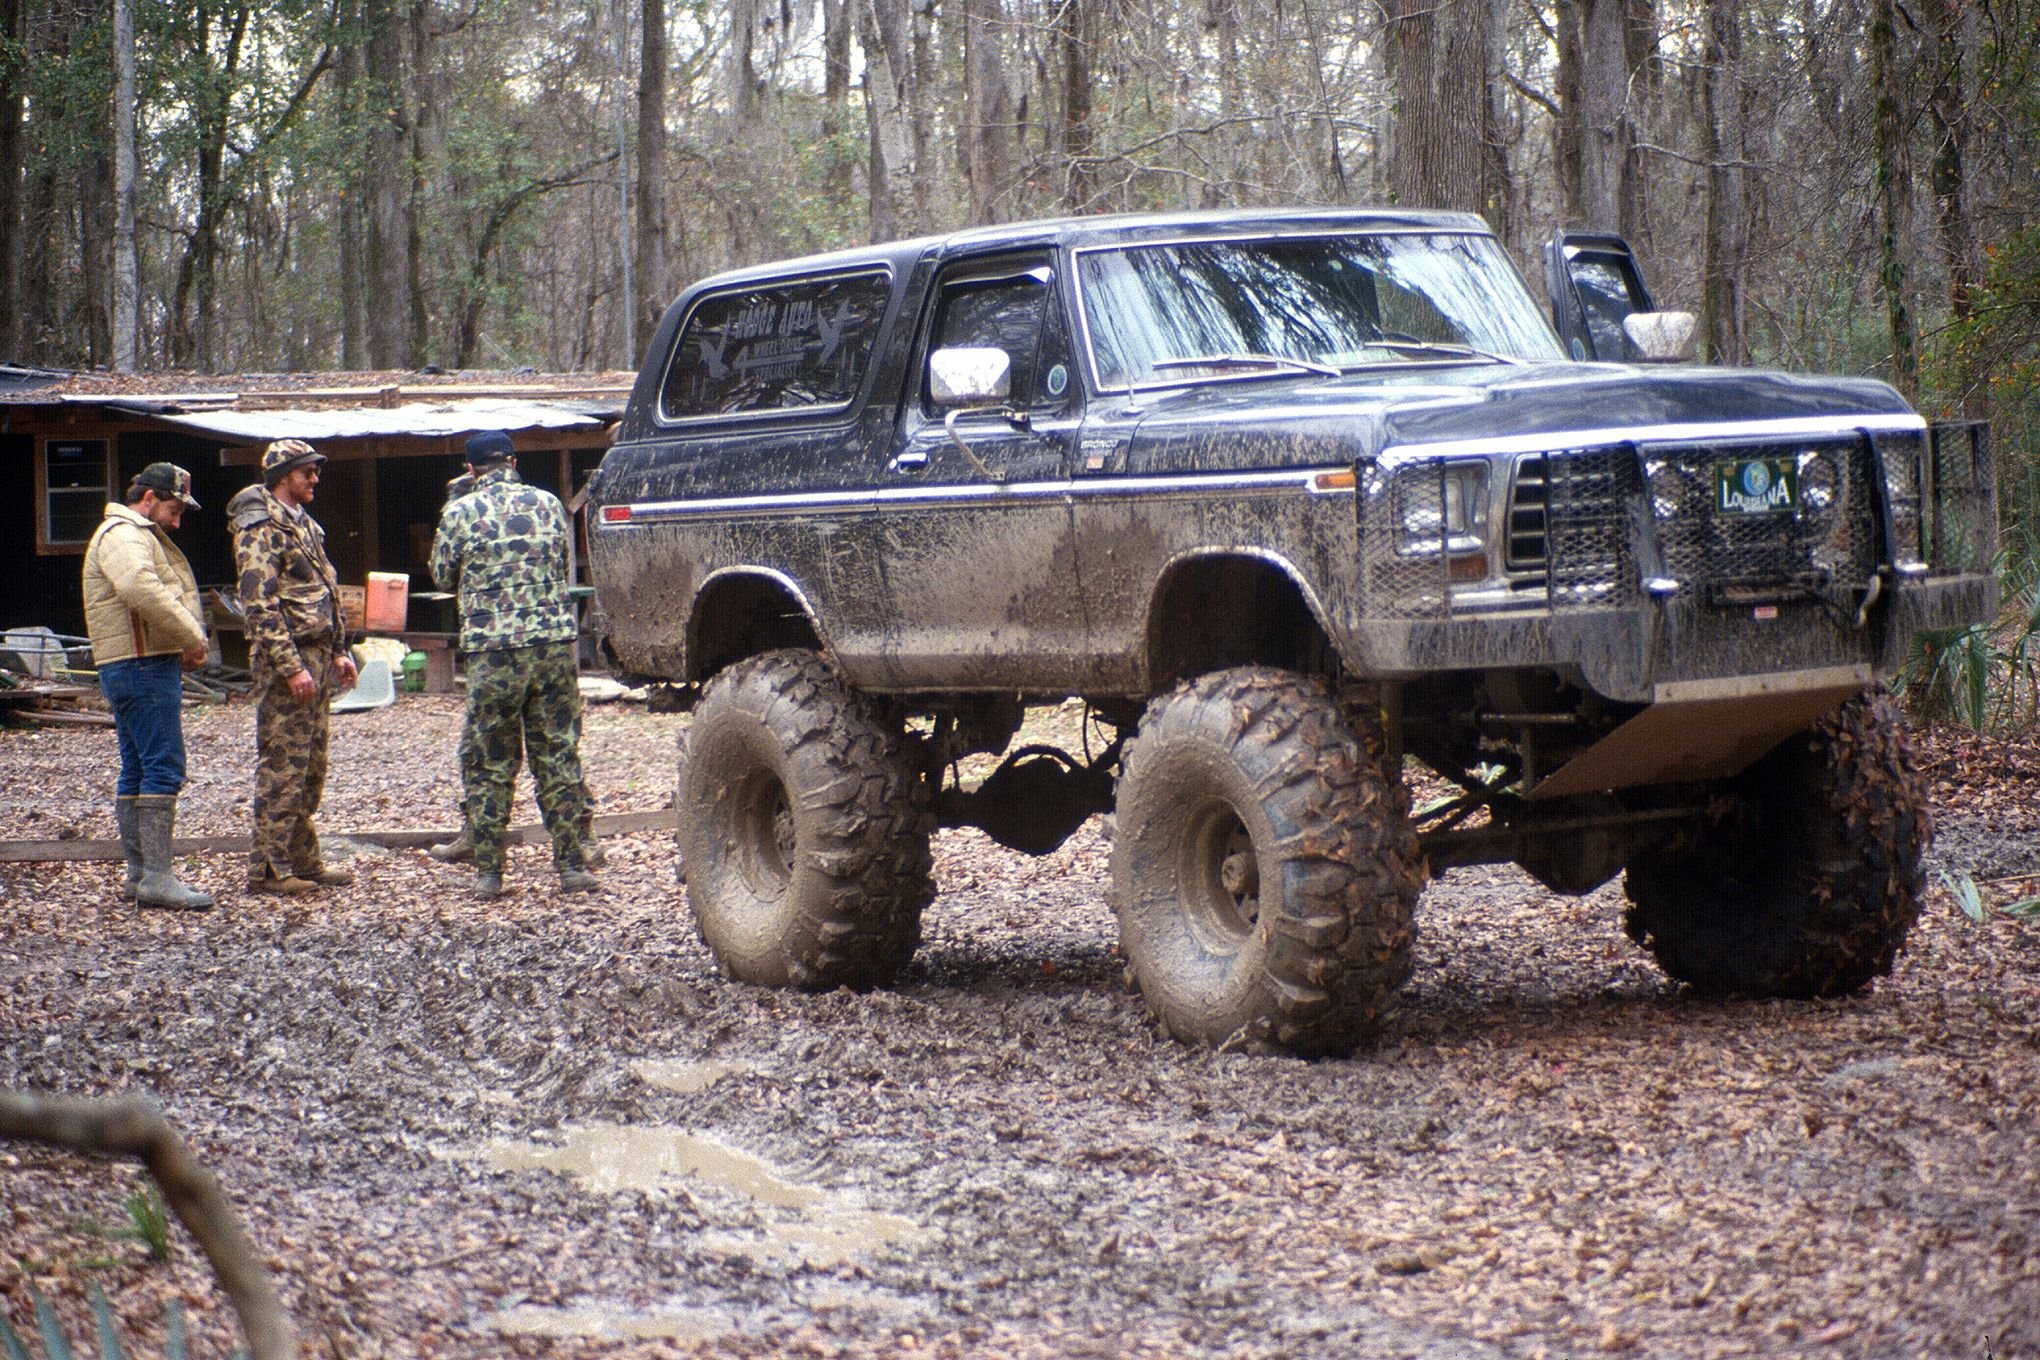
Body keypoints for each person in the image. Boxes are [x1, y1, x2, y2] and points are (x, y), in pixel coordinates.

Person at [430, 431, 598, 899]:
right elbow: (563, 562)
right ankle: (571, 866)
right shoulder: (548, 504)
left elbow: (442, 574)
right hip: (552, 647)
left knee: (490, 761)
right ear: (514, 461)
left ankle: (490, 873)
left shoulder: (461, 511)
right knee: (558, 756)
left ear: (470, 469)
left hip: (494, 651)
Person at [80, 462, 214, 911]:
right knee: (164, 766)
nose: (177, 522)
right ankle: (156, 875)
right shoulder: (125, 534)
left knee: (137, 767)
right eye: (174, 510)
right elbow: (141, 586)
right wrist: (190, 635)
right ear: (150, 498)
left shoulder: (124, 533)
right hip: (142, 665)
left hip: (129, 666)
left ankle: (140, 874)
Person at [228, 439, 359, 894]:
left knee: (312, 766)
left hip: (319, 656)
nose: (315, 480)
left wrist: (341, 650)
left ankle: (302, 859)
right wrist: (290, 667)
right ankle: (267, 870)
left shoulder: (305, 525)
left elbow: (323, 591)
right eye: (307, 472)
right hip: (291, 661)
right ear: (284, 475)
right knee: (283, 765)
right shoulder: (260, 528)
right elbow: (259, 605)